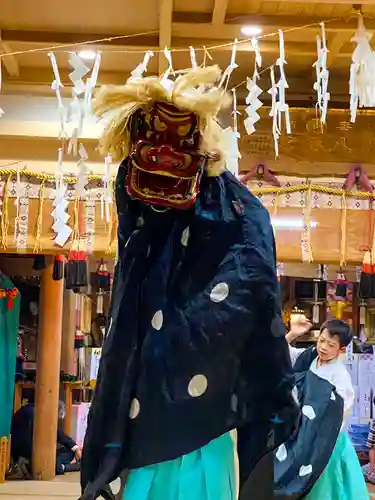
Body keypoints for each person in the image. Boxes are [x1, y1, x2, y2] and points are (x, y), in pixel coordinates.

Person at [79, 65, 298, 500]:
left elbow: (250, 282)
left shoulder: (236, 209)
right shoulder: (136, 185)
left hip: (206, 379)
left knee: (196, 453)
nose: (164, 158)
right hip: (151, 366)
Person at [278, 317, 369, 499]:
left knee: (325, 489)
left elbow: (337, 416)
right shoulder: (309, 357)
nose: (323, 347)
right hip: (300, 434)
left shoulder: (340, 378)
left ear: (342, 349)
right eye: (321, 340)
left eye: (331, 344)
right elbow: (281, 352)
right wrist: (293, 333)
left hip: (325, 441)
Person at [9, 400, 82, 478]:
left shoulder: (27, 409)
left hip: (19, 451)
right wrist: (76, 448)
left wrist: (75, 448)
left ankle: (61, 466)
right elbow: (57, 433)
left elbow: (58, 434)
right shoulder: (38, 413)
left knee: (68, 451)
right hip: (30, 452)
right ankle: (62, 467)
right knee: (65, 454)